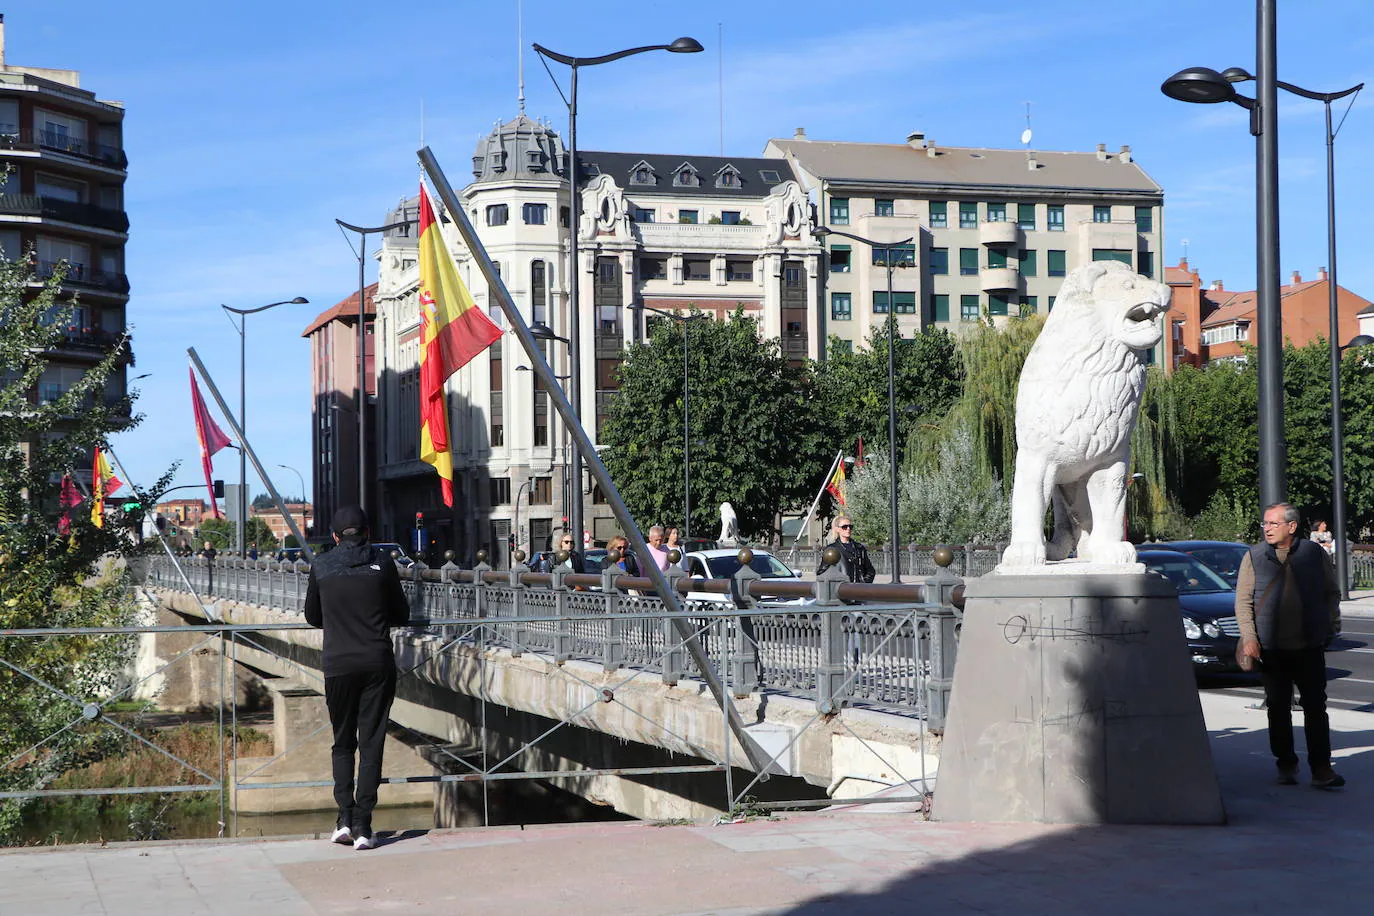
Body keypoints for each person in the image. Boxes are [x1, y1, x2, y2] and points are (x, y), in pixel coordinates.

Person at [304, 505, 410, 849]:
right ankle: (365, 826)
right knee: (371, 742)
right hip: (377, 662)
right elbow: (401, 613)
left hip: (338, 664)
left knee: (343, 742)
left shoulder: (321, 565)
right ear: (367, 532)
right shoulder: (382, 563)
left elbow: (312, 616)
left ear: (335, 536)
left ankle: (343, 819)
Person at [1236, 502, 1344, 789]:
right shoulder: (1254, 556)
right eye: (1265, 524)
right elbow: (1243, 601)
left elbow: (1331, 591)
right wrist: (1249, 638)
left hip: (1309, 645)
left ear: (1292, 526)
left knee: (1315, 708)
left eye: (1273, 524)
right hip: (1271, 648)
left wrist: (1331, 623)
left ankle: (1321, 768)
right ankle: (1285, 762)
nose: (1267, 529)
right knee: (1278, 708)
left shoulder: (1312, 552)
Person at [816, 516, 876, 584]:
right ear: (837, 529)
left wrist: (863, 583)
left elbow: (870, 571)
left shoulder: (859, 548)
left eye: (850, 527)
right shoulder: (831, 549)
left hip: (858, 590)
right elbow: (822, 572)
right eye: (844, 527)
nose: (848, 529)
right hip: (841, 590)